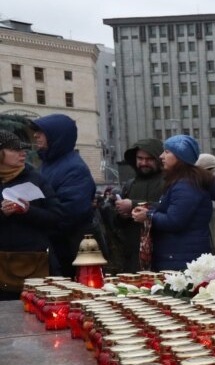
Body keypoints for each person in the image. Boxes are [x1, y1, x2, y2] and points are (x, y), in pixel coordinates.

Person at [132, 135, 215, 271]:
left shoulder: (186, 184)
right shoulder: (183, 181)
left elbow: (175, 221)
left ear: (180, 157)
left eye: (167, 152)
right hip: (177, 255)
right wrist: (151, 209)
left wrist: (148, 216)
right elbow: (173, 209)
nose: (161, 156)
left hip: (180, 259)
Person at [30, 114, 96, 275]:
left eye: (41, 131)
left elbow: (71, 213)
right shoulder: (49, 163)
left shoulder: (74, 168)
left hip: (69, 250)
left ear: (56, 136)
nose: (35, 135)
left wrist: (35, 218)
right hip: (57, 246)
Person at [0, 131, 62, 297]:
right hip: (2, 267)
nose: (23, 153)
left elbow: (56, 217)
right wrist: (2, 213)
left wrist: (28, 211)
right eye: (14, 150)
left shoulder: (36, 179)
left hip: (36, 263)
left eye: (23, 149)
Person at [102, 139, 166, 273]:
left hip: (161, 252)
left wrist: (133, 205)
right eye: (140, 158)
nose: (143, 163)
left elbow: (168, 208)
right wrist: (121, 214)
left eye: (149, 159)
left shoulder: (168, 182)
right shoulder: (130, 184)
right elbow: (118, 225)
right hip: (132, 254)